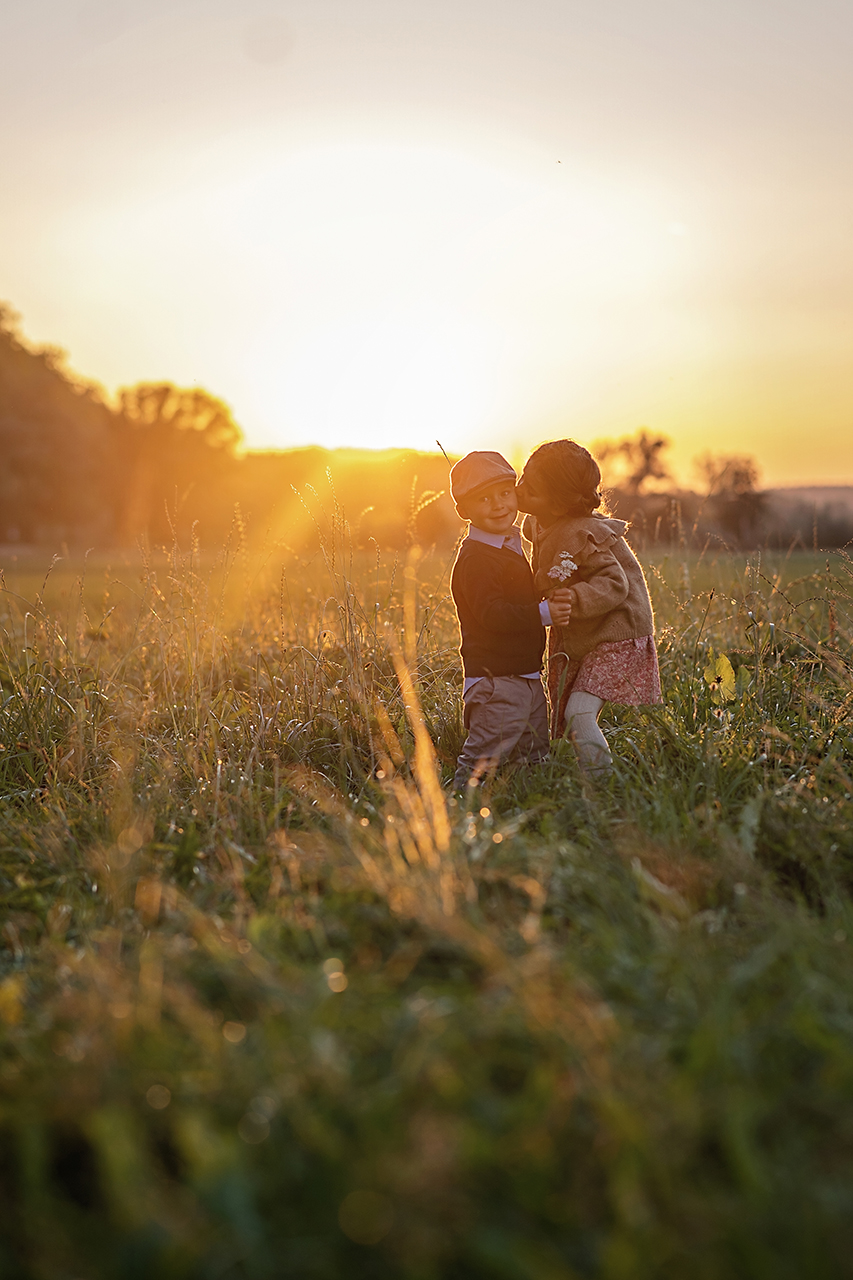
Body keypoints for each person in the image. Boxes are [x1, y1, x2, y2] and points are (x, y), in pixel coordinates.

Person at [515, 438, 661, 776]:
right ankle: (583, 772)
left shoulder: (584, 534)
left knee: (578, 713)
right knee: (570, 712)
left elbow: (615, 584)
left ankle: (605, 783)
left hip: (618, 634)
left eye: (531, 489)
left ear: (560, 504)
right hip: (588, 631)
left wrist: (577, 597)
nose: (520, 489)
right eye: (523, 477)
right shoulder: (540, 521)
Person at [448, 450, 572, 791]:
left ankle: (530, 807)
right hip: (495, 681)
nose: (499, 505)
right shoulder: (475, 559)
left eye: (504, 493)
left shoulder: (509, 544)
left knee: (533, 754)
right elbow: (492, 614)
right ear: (465, 511)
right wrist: (543, 613)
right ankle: (459, 808)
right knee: (484, 757)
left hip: (527, 676)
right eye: (483, 499)